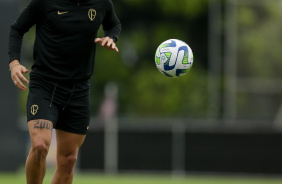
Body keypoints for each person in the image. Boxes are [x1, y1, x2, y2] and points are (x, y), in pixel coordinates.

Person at [8, 0, 121, 183]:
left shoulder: (101, 3)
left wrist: (111, 37)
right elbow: (17, 28)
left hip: (78, 90)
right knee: (40, 146)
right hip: (44, 85)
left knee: (68, 160)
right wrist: (14, 63)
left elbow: (114, 24)